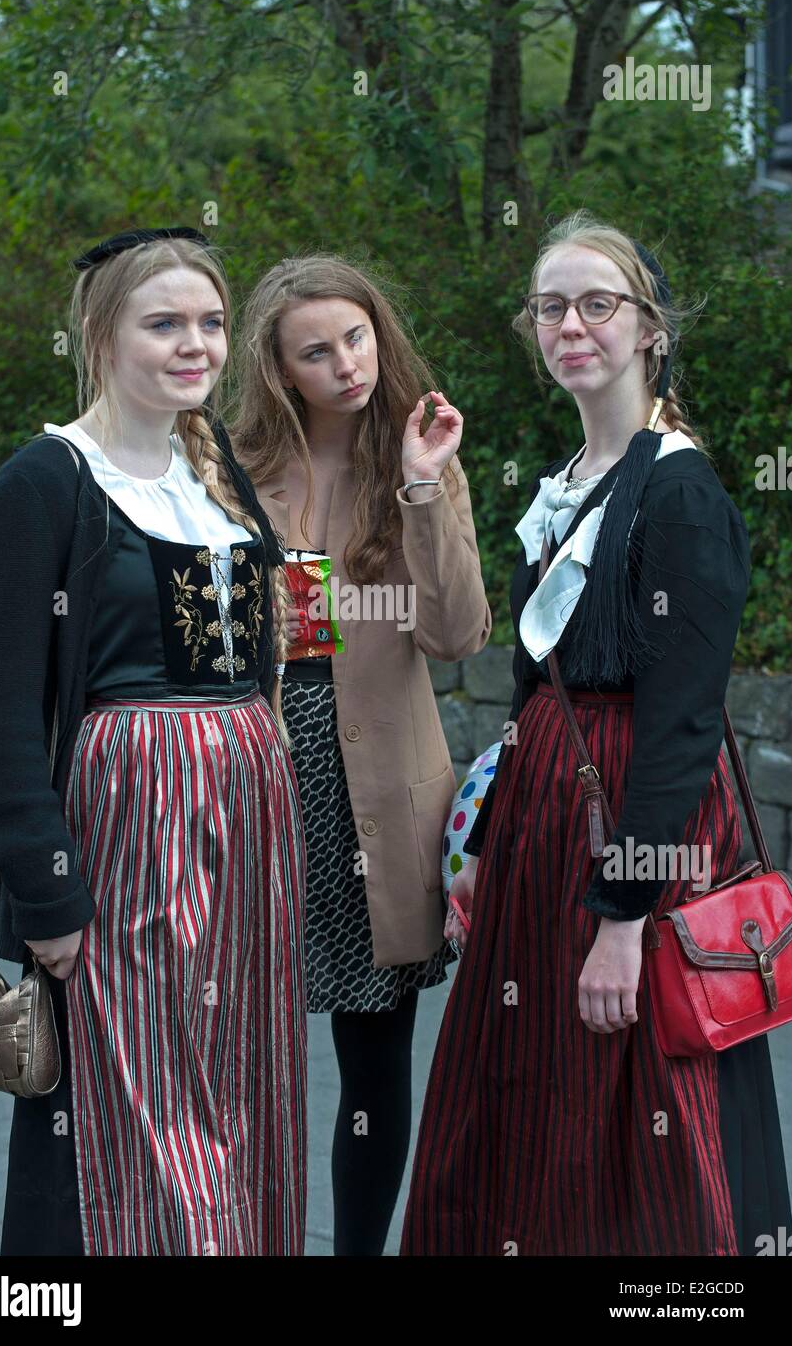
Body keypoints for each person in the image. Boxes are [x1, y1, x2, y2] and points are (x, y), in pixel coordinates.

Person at [400, 210, 792, 1256]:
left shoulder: (682, 491)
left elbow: (683, 724)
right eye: (551, 305)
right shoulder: (568, 482)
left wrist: (624, 917)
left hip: (632, 835)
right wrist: (482, 849)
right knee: (528, 1106)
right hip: (542, 829)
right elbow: (538, 699)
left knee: (630, 1117)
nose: (571, 323)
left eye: (598, 303)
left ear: (651, 327)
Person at [0, 227, 307, 1256]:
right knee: (123, 1108)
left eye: (209, 322)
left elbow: (228, 673)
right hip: (123, 849)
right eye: (164, 323)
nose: (194, 344)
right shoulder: (47, 481)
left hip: (239, 855)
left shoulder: (214, 481)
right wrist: (47, 888)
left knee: (235, 1092)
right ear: (101, 335)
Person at [230, 254, 491, 1255]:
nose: (345, 364)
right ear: (279, 370)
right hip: (264, 784)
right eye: (316, 351)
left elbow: (456, 634)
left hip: (377, 797)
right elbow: (240, 642)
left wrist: (424, 493)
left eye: (356, 338)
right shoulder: (238, 471)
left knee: (373, 1067)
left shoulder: (417, 457)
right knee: (245, 1053)